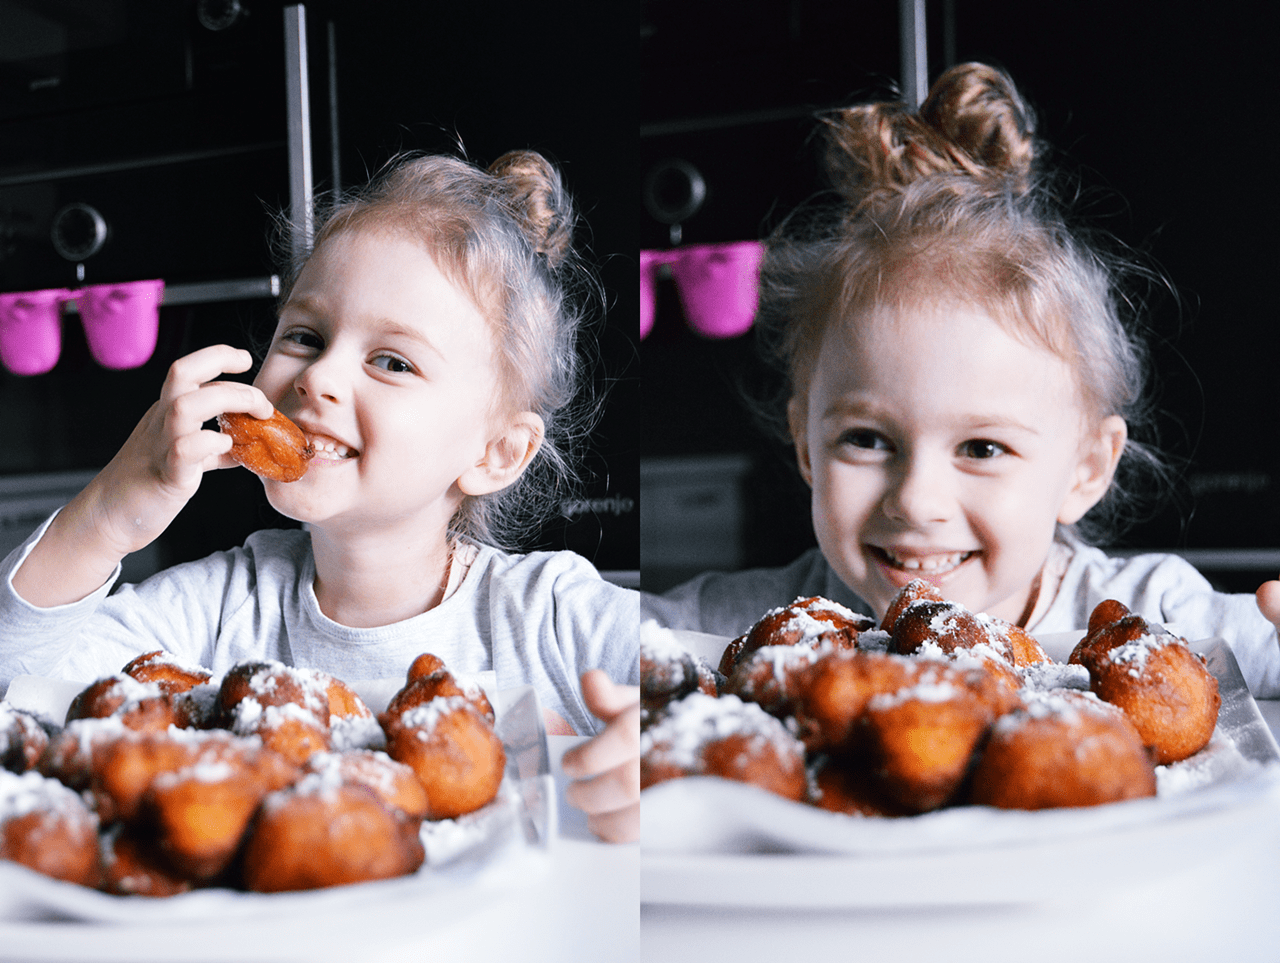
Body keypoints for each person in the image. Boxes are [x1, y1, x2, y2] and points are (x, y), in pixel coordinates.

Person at [0, 149, 639, 842]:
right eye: (305, 336)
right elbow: (19, 689)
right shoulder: (216, 612)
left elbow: (705, 708)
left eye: (392, 360)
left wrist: (644, 761)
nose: (318, 376)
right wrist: (108, 515)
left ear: (496, 452)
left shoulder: (550, 614)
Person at [642, 62, 1280, 698]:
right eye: (866, 439)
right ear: (806, 442)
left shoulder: (1161, 621)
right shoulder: (746, 628)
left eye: (982, 448)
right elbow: (591, 658)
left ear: (1086, 468)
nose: (916, 501)